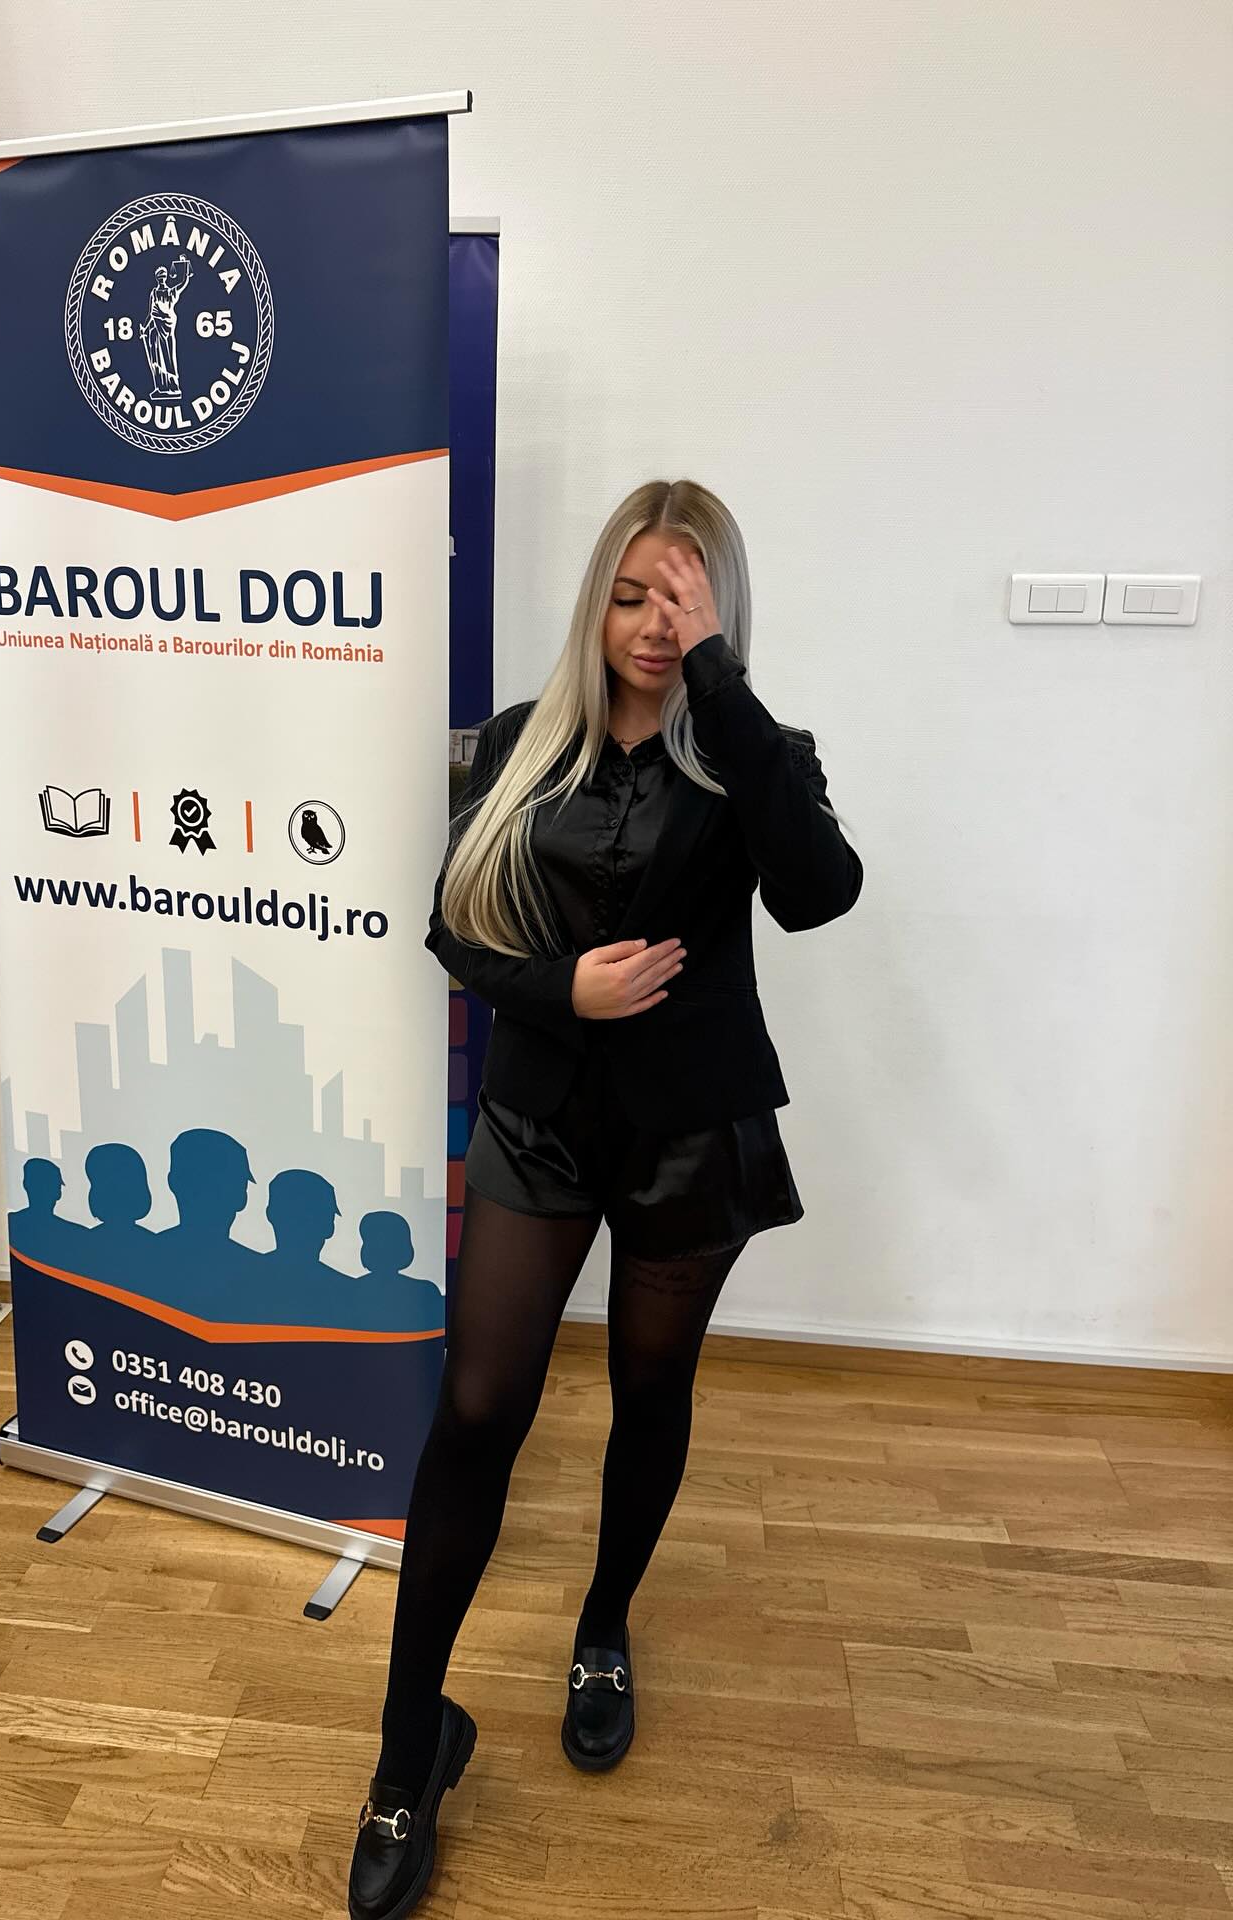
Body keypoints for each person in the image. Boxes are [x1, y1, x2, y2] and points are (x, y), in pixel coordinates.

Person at [347, 479, 864, 1920]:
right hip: (541, 1119)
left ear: (720, 613)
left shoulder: (756, 756)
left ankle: (602, 1627)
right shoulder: (520, 746)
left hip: (691, 1131)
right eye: (631, 595)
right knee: (477, 1410)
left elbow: (819, 891)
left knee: (651, 1394)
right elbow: (448, 929)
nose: (651, 623)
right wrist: (557, 990)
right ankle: (406, 1746)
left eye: (681, 602)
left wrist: (722, 684)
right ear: (596, 599)